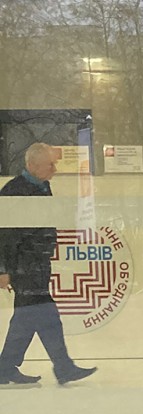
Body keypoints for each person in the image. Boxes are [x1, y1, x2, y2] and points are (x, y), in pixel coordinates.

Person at [0, 143, 97, 385]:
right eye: (50, 165)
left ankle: (6, 368)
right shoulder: (14, 191)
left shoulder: (42, 187)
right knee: (43, 315)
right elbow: (3, 235)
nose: (55, 169)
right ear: (32, 166)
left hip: (38, 264)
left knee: (31, 317)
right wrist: (2, 270)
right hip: (22, 266)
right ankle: (63, 367)